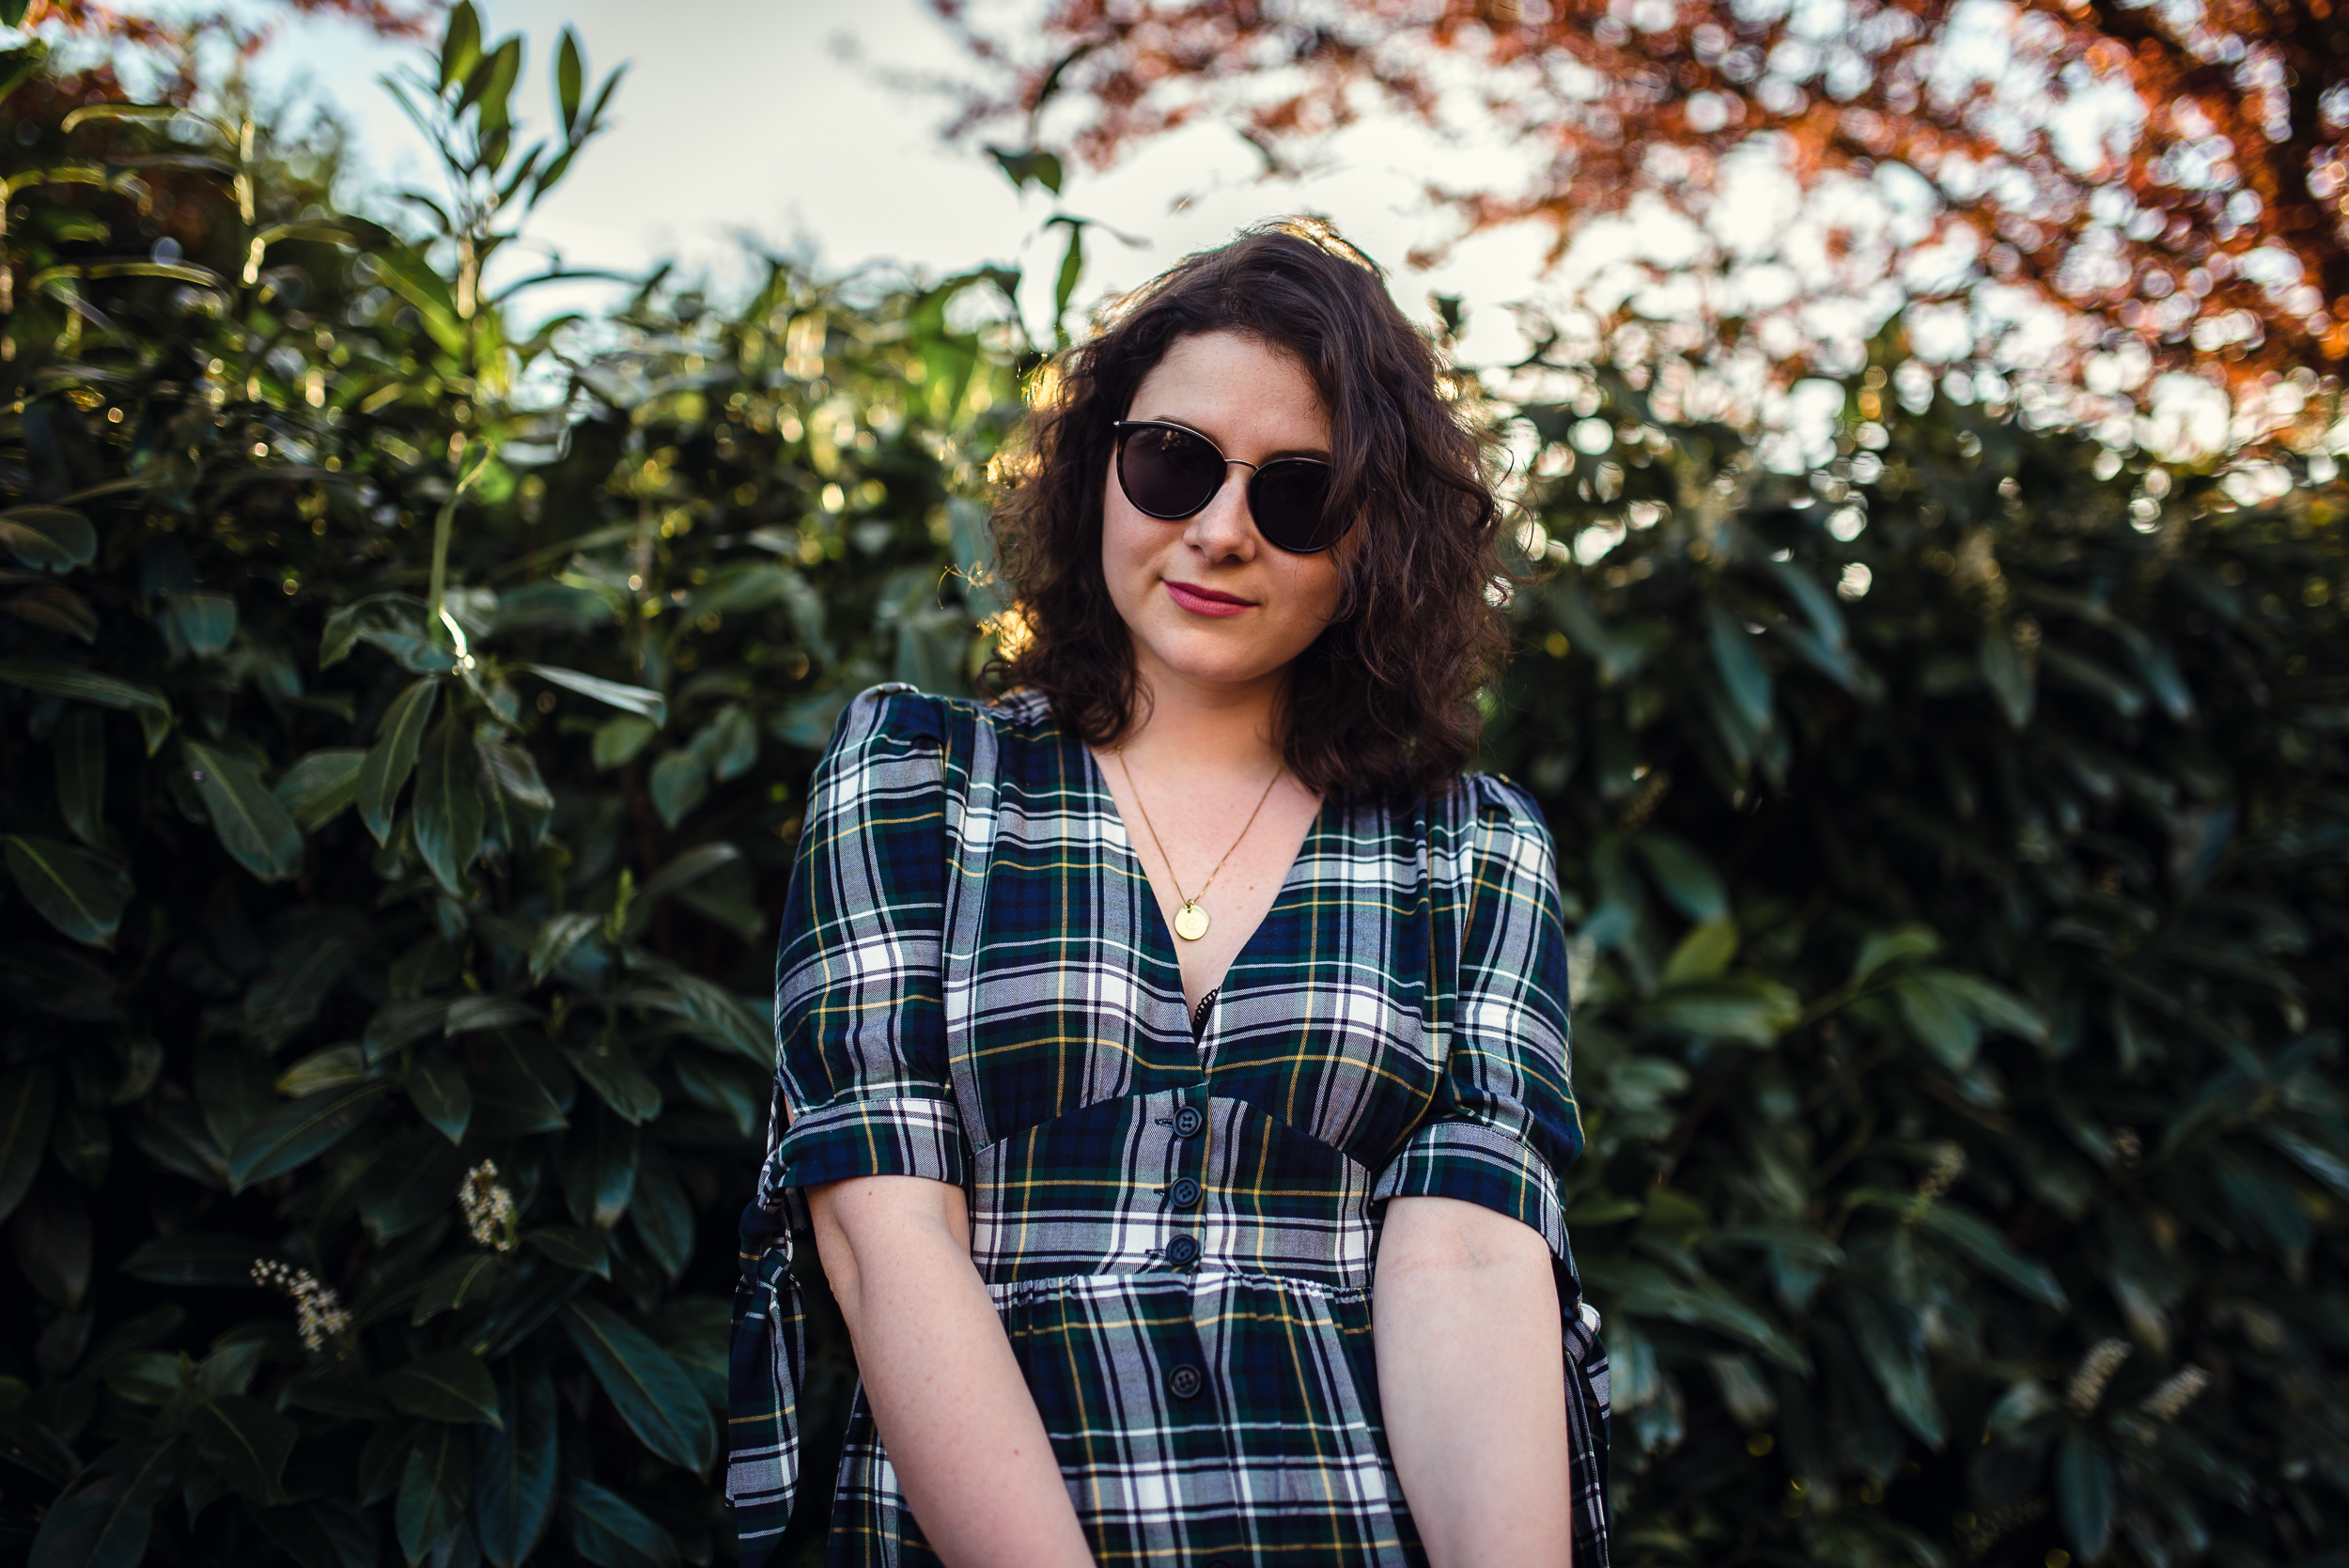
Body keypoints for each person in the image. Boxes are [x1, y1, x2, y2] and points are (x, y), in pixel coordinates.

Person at [729, 218, 1609, 1568]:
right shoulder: (916, 780)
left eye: (1299, 495)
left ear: (1375, 540)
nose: (1219, 531)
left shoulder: (1471, 849)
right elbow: (883, 1235)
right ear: (1100, 465)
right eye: (1173, 463)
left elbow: (1474, 1265)